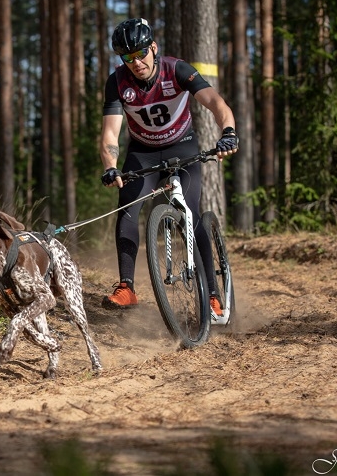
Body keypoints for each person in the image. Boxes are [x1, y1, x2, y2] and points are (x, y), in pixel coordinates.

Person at [98, 17, 238, 320]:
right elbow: (110, 134)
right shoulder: (118, 82)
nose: (136, 62)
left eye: (141, 53)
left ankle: (213, 295)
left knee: (192, 214)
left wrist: (227, 131)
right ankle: (127, 287)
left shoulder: (176, 70)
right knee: (128, 207)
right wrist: (111, 167)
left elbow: (215, 102)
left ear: (153, 47)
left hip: (182, 145)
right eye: (127, 57)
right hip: (143, 154)